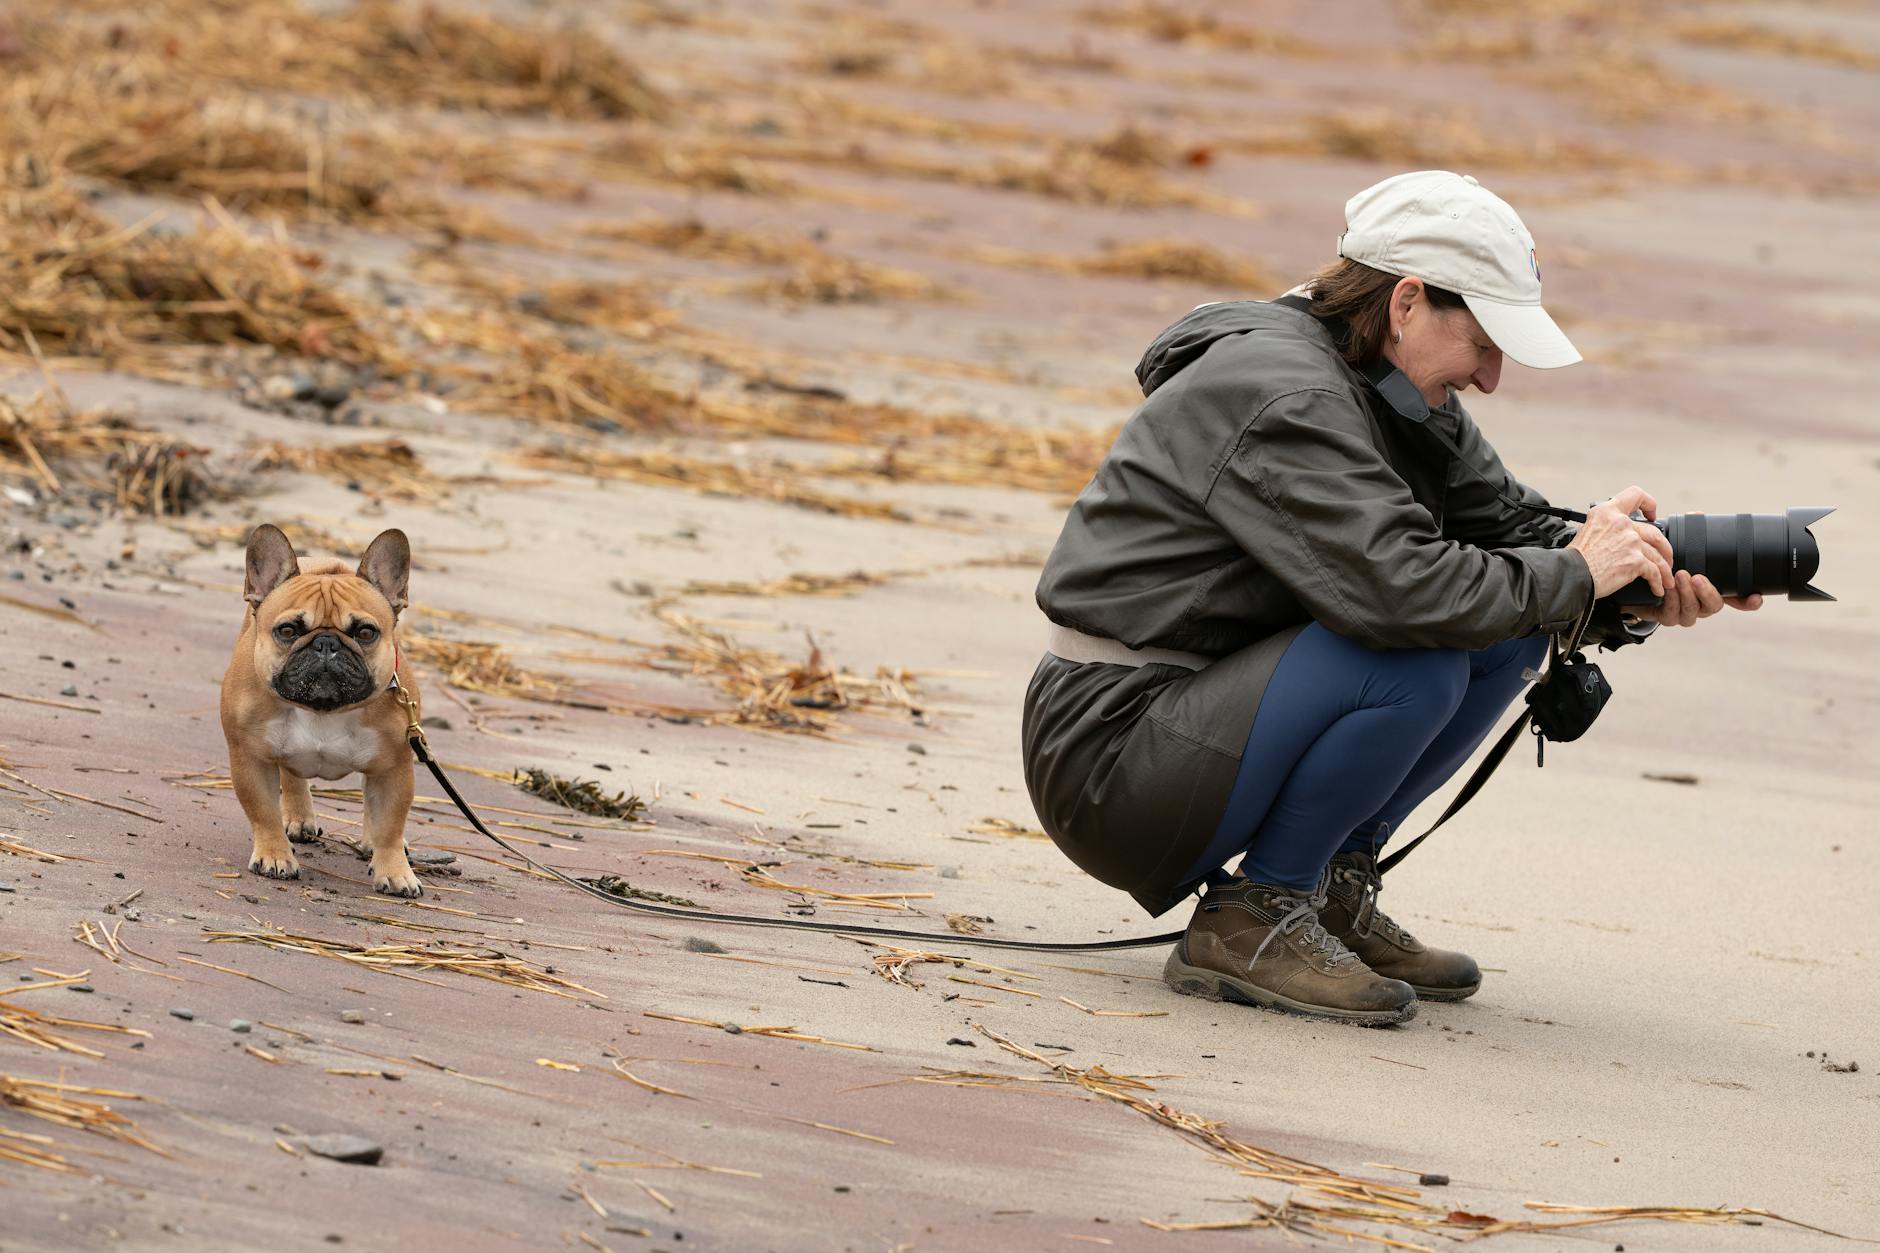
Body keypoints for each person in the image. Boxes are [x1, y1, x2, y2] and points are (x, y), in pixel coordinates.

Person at [1021, 170, 1761, 1026]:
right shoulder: (1285, 392)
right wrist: (1575, 574)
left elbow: (1517, 537)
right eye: (1484, 341)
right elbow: (1402, 594)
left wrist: (1644, 579)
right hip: (1108, 751)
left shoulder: (1390, 383)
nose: (1490, 377)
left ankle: (1328, 884)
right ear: (1406, 301)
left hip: (1191, 719)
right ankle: (1258, 913)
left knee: (1506, 631)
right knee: (1419, 660)